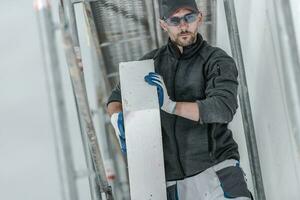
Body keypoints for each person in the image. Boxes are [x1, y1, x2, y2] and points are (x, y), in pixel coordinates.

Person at [107, 0, 252, 199]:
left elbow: (223, 107)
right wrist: (117, 119)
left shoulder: (216, 59)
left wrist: (172, 106)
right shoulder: (150, 64)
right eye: (174, 20)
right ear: (163, 24)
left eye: (189, 17)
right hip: (173, 184)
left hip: (217, 170)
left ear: (199, 18)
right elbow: (115, 98)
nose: (183, 26)